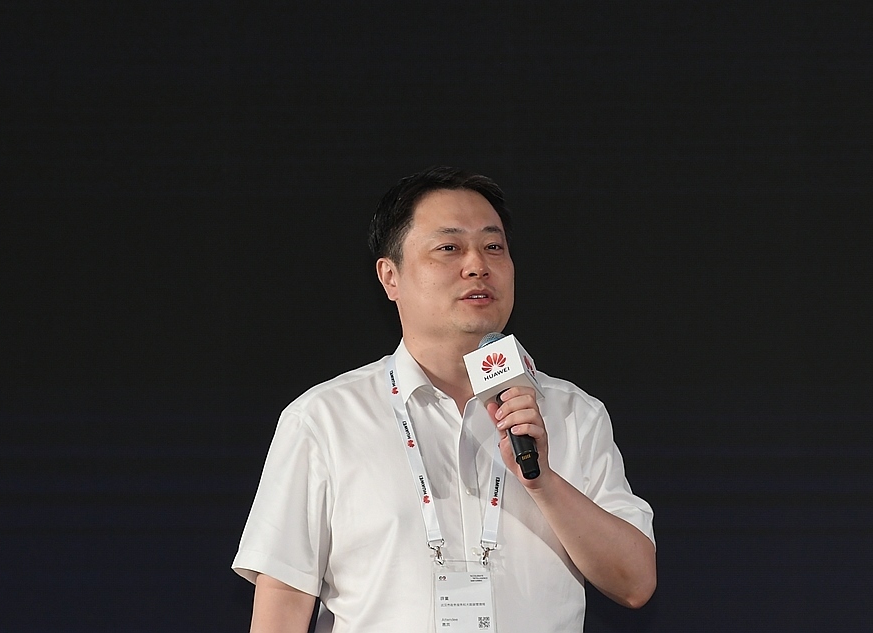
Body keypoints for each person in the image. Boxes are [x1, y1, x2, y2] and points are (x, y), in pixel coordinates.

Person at [232, 166, 656, 632]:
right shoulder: (324, 420)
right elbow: (283, 603)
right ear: (390, 277)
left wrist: (543, 482)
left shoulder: (573, 413)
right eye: (449, 248)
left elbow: (635, 583)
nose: (477, 266)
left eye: (493, 247)